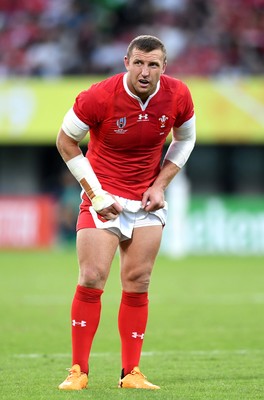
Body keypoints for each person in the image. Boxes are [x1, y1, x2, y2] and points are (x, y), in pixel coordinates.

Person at [56, 34, 196, 390]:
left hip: (147, 201)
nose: (144, 71)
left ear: (164, 67)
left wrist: (161, 184)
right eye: (138, 62)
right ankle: (78, 371)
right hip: (104, 199)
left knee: (139, 282)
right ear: (126, 62)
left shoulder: (178, 94)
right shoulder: (98, 96)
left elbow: (186, 138)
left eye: (153, 64)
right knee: (91, 277)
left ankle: (131, 373)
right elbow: (65, 141)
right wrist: (96, 194)